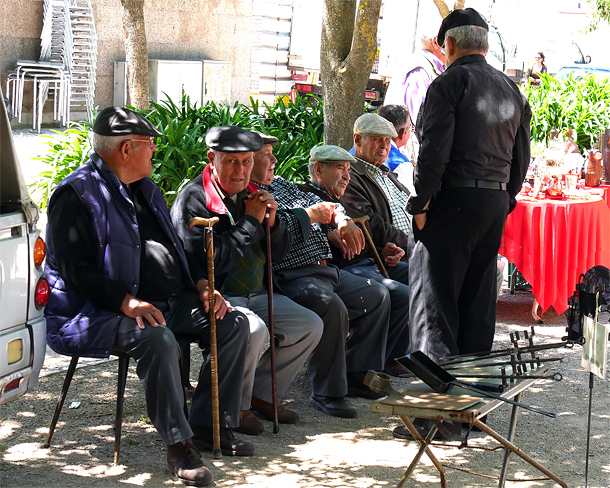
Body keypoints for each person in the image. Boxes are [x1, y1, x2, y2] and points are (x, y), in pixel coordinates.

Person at [44, 107, 253, 486]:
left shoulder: (146, 189)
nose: (155, 151)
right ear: (126, 149)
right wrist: (126, 302)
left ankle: (207, 423)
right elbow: (77, 273)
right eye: (149, 144)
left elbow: (171, 249)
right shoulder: (75, 195)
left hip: (164, 302)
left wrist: (200, 286)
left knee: (233, 322)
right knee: (156, 338)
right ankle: (179, 445)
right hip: (94, 312)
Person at [170, 126, 323, 436]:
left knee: (308, 325)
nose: (241, 171)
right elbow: (211, 262)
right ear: (212, 159)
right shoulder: (195, 199)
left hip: (257, 292)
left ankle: (261, 394)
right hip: (210, 294)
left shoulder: (251, 193)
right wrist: (250, 221)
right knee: (253, 329)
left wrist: (274, 222)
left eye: (247, 162)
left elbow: (277, 253)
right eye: (231, 162)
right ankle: (235, 408)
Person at [406, 8, 531, 366]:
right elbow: (521, 159)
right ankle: (472, 401)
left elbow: (433, 154)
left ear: (450, 45)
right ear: (485, 46)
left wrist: (422, 204)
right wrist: (504, 198)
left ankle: (440, 413)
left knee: (436, 306)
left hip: (455, 200)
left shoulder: (448, 84)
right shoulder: (512, 88)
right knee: (476, 304)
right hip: (493, 201)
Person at [249, 132, 394, 418]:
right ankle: (328, 393)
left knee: (377, 295)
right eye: (267, 155)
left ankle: (355, 373)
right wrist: (313, 216)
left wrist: (339, 222)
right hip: (291, 274)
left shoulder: (281, 184)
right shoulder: (250, 194)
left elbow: (330, 207)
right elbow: (277, 234)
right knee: (331, 307)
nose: (275, 160)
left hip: (324, 269)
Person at [298, 145, 411, 375]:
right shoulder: (305, 196)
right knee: (396, 294)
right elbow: (303, 238)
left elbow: (364, 235)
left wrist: (383, 251)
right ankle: (360, 370)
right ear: (318, 170)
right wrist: (330, 236)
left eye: (349, 169)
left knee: (419, 279)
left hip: (369, 263)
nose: (347, 176)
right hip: (344, 270)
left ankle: (387, 359)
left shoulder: (338, 198)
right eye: (340, 168)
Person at [341, 112, 412, 256]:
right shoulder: (350, 178)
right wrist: (414, 244)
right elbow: (373, 226)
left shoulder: (387, 174)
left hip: (412, 248)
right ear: (358, 140)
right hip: (394, 254)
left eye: (387, 140)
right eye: (377, 139)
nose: (384, 146)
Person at [383, 34, 445, 164]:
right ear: (435, 42)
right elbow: (422, 120)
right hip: (407, 148)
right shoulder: (420, 69)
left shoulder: (426, 66)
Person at [376, 104, 415, 194]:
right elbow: (408, 201)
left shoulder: (358, 149)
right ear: (402, 133)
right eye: (409, 128)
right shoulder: (401, 164)